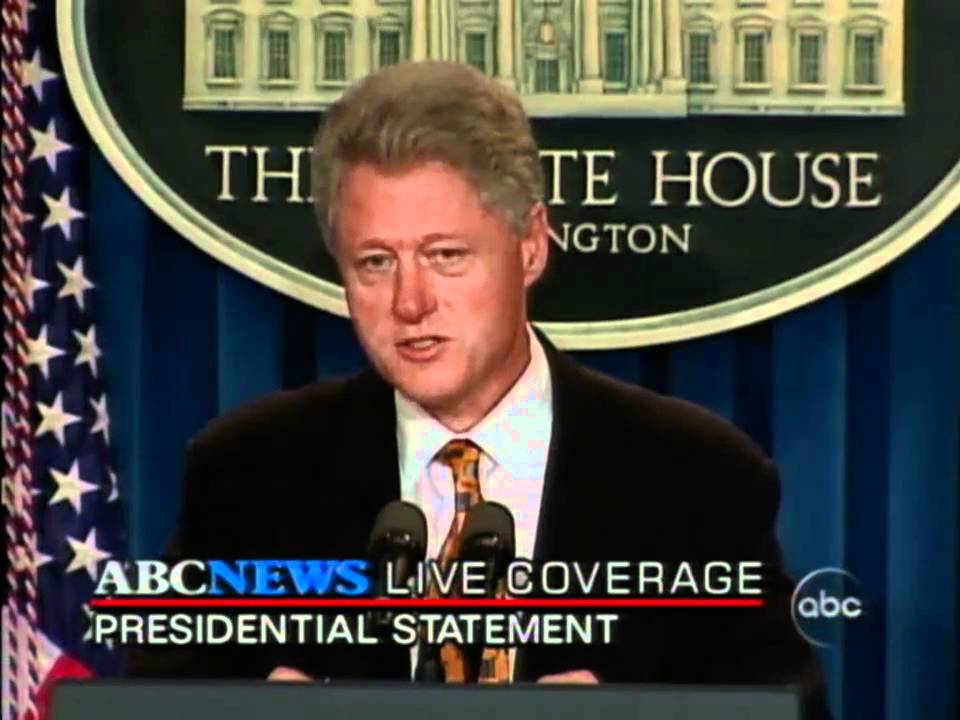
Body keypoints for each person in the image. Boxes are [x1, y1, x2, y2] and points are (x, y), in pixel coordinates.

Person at [127, 60, 827, 714]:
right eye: (375, 263)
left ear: (531, 246)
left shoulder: (696, 478)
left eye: (446, 256)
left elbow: (786, 709)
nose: (410, 303)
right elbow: (156, 702)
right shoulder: (250, 472)